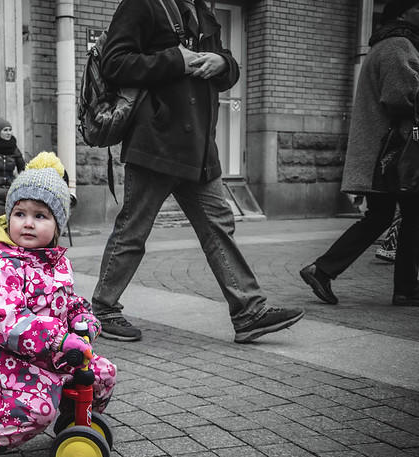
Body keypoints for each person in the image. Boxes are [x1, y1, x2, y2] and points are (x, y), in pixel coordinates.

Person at [90, 0, 304, 343]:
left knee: (219, 229)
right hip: (155, 142)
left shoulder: (203, 8)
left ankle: (249, 312)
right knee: (133, 230)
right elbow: (114, 64)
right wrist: (177, 60)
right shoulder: (142, 4)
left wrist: (222, 63)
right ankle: (103, 308)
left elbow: (228, 70)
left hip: (201, 146)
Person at [0, 167, 117, 457]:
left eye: (40, 216)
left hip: (55, 351)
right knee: (36, 408)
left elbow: (69, 301)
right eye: (20, 213)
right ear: (9, 217)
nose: (27, 222)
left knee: (103, 372)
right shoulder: (3, 265)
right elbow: (3, 316)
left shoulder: (56, 262)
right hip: (10, 354)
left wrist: (84, 322)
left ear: (58, 226)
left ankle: (69, 421)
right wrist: (58, 337)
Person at [300, 0, 419, 307]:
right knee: (413, 216)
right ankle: (405, 288)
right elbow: (399, 96)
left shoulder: (386, 44)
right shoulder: (398, 45)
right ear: (404, 12)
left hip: (382, 154)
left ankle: (322, 270)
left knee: (381, 216)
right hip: (393, 156)